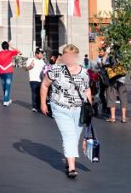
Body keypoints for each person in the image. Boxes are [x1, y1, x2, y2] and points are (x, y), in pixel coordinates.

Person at [40, 44, 93, 179]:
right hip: (60, 107)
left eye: (72, 56)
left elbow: (87, 90)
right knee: (69, 135)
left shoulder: (84, 72)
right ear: (63, 56)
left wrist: (90, 108)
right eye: (66, 55)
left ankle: (69, 158)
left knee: (74, 136)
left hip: (79, 109)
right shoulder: (56, 70)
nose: (69, 58)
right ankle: (72, 167)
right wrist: (43, 104)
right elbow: (45, 85)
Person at [105, 54, 129, 123]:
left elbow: (105, 65)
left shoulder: (110, 55)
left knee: (111, 96)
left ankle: (113, 117)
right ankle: (124, 117)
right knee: (123, 97)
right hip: (121, 79)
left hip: (112, 79)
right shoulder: (124, 56)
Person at [0, 41, 20, 106]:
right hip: (9, 71)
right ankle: (6, 100)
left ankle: (7, 99)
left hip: (1, 71)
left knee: (4, 86)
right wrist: (11, 46)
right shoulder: (10, 52)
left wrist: (1, 63)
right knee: (7, 86)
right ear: (7, 46)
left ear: (2, 47)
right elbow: (18, 51)